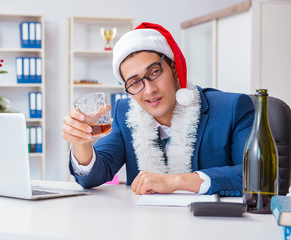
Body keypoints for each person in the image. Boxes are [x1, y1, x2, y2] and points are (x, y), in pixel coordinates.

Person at [62, 22, 254, 196]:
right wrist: (80, 142)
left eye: (154, 72)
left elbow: (259, 175)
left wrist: (178, 181)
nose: (149, 90)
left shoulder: (231, 108)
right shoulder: (124, 113)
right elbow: (92, 177)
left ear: (173, 67)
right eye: (135, 82)